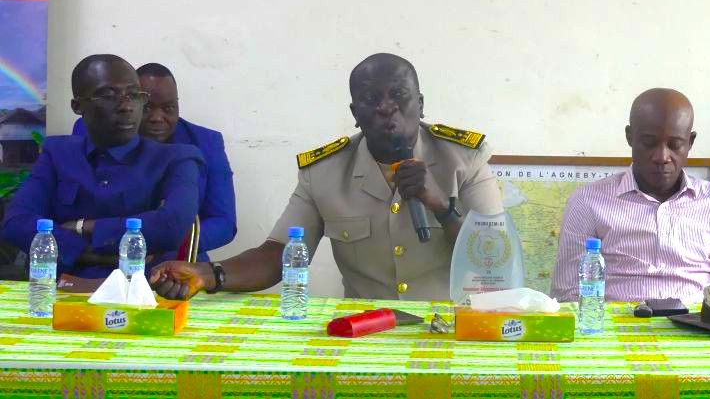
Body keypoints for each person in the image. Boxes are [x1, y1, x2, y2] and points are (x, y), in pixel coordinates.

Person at [150, 53, 503, 301]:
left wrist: (442, 208)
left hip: (452, 327)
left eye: (399, 95)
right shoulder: (323, 171)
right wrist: (208, 273)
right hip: (365, 330)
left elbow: (495, 260)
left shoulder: (465, 159)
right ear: (355, 112)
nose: (386, 107)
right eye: (370, 98)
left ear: (421, 104)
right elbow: (278, 254)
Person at [2, 54, 203, 278]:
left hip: (142, 289)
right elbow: (16, 223)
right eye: (108, 95)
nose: (126, 106)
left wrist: (82, 227)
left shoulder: (177, 159)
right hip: (61, 289)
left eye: (134, 95)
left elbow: (172, 226)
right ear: (78, 106)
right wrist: (91, 255)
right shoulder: (57, 153)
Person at [551, 88, 710, 303]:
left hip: (697, 320)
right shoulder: (587, 202)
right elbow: (568, 295)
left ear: (690, 142)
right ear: (630, 137)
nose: (662, 156)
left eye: (675, 145)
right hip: (618, 321)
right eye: (649, 143)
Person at [72, 63, 237, 263]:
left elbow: (224, 222)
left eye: (169, 108)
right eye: (147, 107)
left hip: (177, 261)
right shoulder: (93, 130)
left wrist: (164, 243)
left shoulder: (205, 142)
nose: (157, 118)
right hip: (101, 256)